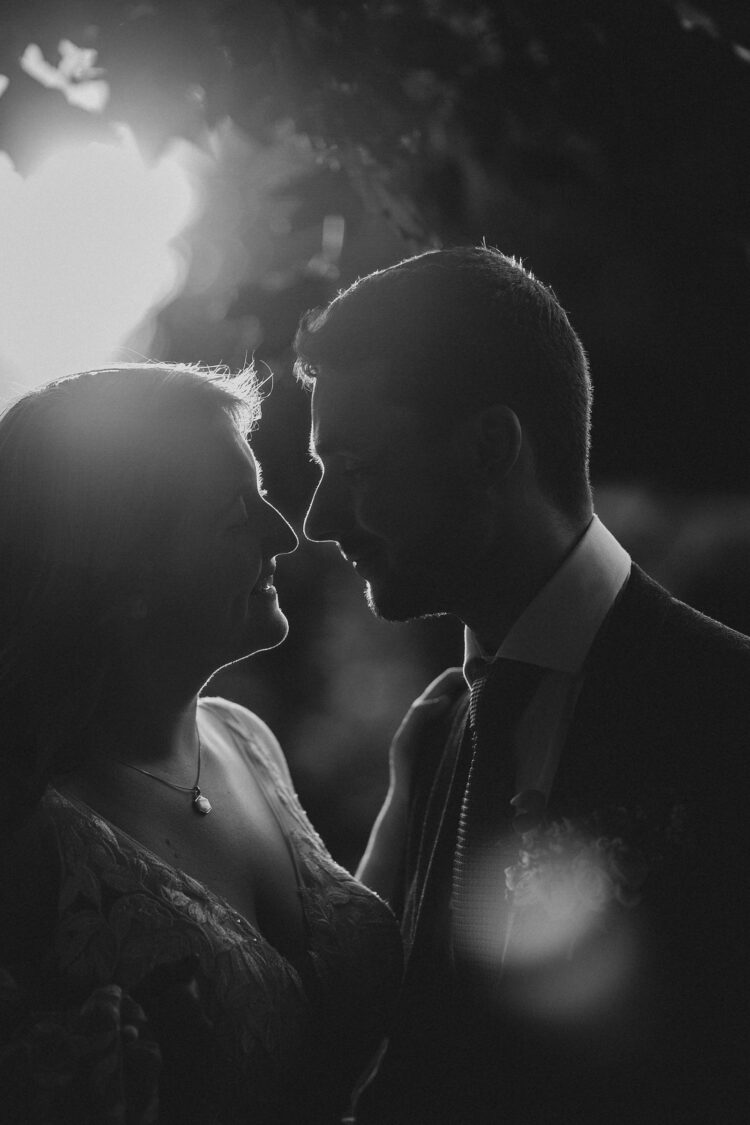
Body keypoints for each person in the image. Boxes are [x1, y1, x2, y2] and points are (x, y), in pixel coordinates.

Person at [293, 246, 750, 1124]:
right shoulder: (433, 738)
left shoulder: (728, 711)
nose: (319, 520)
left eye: (354, 466)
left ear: (490, 448)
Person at [0, 363, 402, 1124]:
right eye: (233, 515)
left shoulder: (247, 741)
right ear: (127, 582)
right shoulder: (25, 833)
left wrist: (414, 790)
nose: (284, 533)